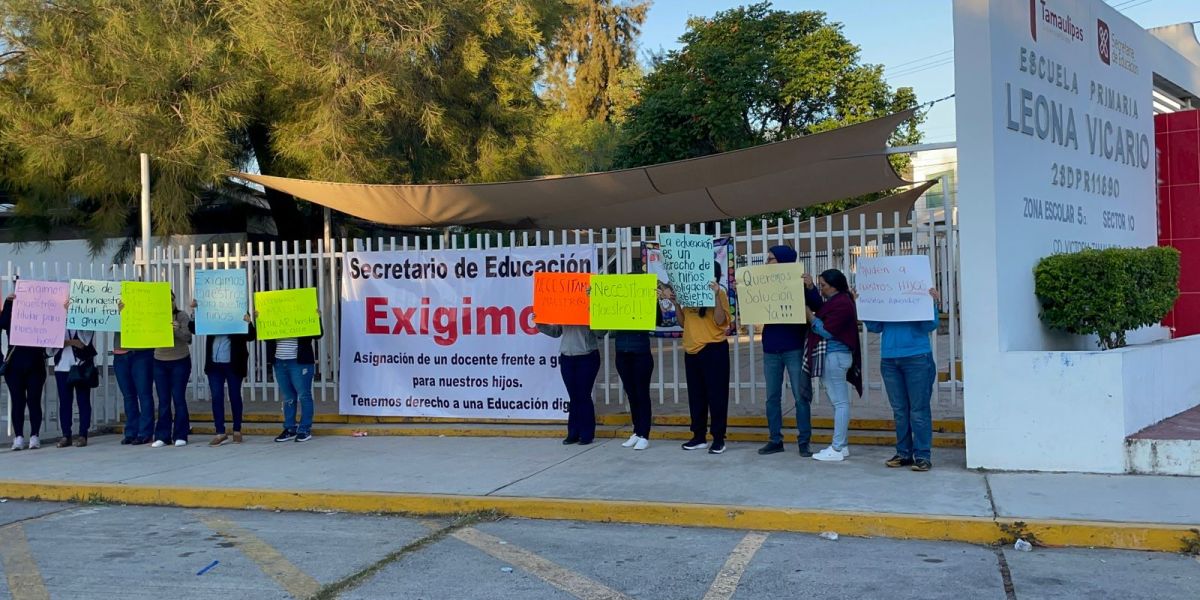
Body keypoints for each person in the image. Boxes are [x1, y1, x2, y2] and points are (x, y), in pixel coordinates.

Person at [756, 245, 824, 457]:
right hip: (771, 348)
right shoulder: (764, 283)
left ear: (783, 261)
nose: (767, 263)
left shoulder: (799, 283)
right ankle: (775, 440)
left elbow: (818, 306)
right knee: (772, 397)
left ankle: (804, 441)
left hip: (794, 346)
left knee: (801, 397)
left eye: (771, 259)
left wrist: (810, 287)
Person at [865, 288, 941, 472]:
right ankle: (904, 453)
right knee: (900, 410)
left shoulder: (917, 294)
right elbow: (875, 326)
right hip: (890, 359)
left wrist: (931, 303)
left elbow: (930, 325)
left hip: (917, 357)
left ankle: (922, 455)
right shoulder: (885, 298)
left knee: (918, 409)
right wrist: (864, 305)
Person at [661, 261, 731, 454]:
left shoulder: (720, 293)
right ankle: (698, 436)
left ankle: (718, 438)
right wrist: (677, 304)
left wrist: (716, 295)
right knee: (696, 396)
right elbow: (684, 323)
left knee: (717, 396)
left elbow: (720, 321)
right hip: (692, 350)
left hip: (713, 349)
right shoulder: (689, 294)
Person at [805, 268, 862, 463]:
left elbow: (828, 331)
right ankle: (842, 445)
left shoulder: (842, 303)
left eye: (823, 286)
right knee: (839, 402)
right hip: (837, 356)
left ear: (834, 286)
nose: (821, 289)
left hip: (834, 356)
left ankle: (837, 447)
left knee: (840, 403)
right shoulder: (840, 301)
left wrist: (811, 317)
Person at [193, 299, 255, 447]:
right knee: (216, 397)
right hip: (214, 364)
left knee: (234, 396)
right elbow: (194, 328)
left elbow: (251, 336)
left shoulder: (239, 312)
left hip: (233, 364)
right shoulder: (210, 312)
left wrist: (249, 323)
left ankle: (237, 429)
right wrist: (196, 312)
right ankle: (220, 432)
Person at [258, 307, 323, 443]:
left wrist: (317, 319)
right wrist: (261, 320)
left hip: (299, 362)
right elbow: (266, 337)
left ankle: (304, 429)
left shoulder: (302, 313)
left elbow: (318, 335)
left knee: (304, 395)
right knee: (288, 397)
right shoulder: (274, 314)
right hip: (280, 361)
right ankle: (290, 428)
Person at [536, 322, 603, 445]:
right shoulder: (565, 313)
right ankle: (573, 433)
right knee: (573, 396)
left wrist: (591, 320)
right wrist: (541, 324)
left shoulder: (589, 312)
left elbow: (601, 332)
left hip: (587, 356)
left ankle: (586, 434)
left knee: (583, 395)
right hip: (567, 357)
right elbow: (556, 332)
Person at [1, 291, 47, 451]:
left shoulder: (42, 311)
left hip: (35, 363)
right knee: (17, 401)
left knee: (34, 400)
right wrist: (8, 303)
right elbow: (3, 323)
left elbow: (53, 327)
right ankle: (18, 436)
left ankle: (35, 435)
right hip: (14, 364)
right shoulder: (12, 309)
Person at [152, 291, 194, 448]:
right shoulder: (154, 316)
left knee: (178, 397)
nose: (170, 303)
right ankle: (162, 436)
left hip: (179, 361)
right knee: (163, 400)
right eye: (166, 300)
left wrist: (177, 329)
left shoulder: (181, 316)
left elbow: (188, 337)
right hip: (159, 361)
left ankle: (181, 434)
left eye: (172, 299)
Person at [51, 325, 97, 448]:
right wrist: (71, 342)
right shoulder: (57, 320)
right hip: (62, 366)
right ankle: (66, 434)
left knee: (83, 401)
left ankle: (83, 434)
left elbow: (84, 342)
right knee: (64, 402)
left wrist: (66, 342)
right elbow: (51, 344)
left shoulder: (83, 318)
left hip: (82, 365)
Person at [613, 327, 654, 451]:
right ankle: (637, 431)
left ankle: (644, 434)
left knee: (642, 394)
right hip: (621, 350)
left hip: (640, 351)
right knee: (631, 394)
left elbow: (656, 321)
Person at [113, 329, 155, 445]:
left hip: (142, 351)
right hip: (120, 352)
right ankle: (131, 432)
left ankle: (145, 433)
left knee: (144, 394)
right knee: (128, 396)